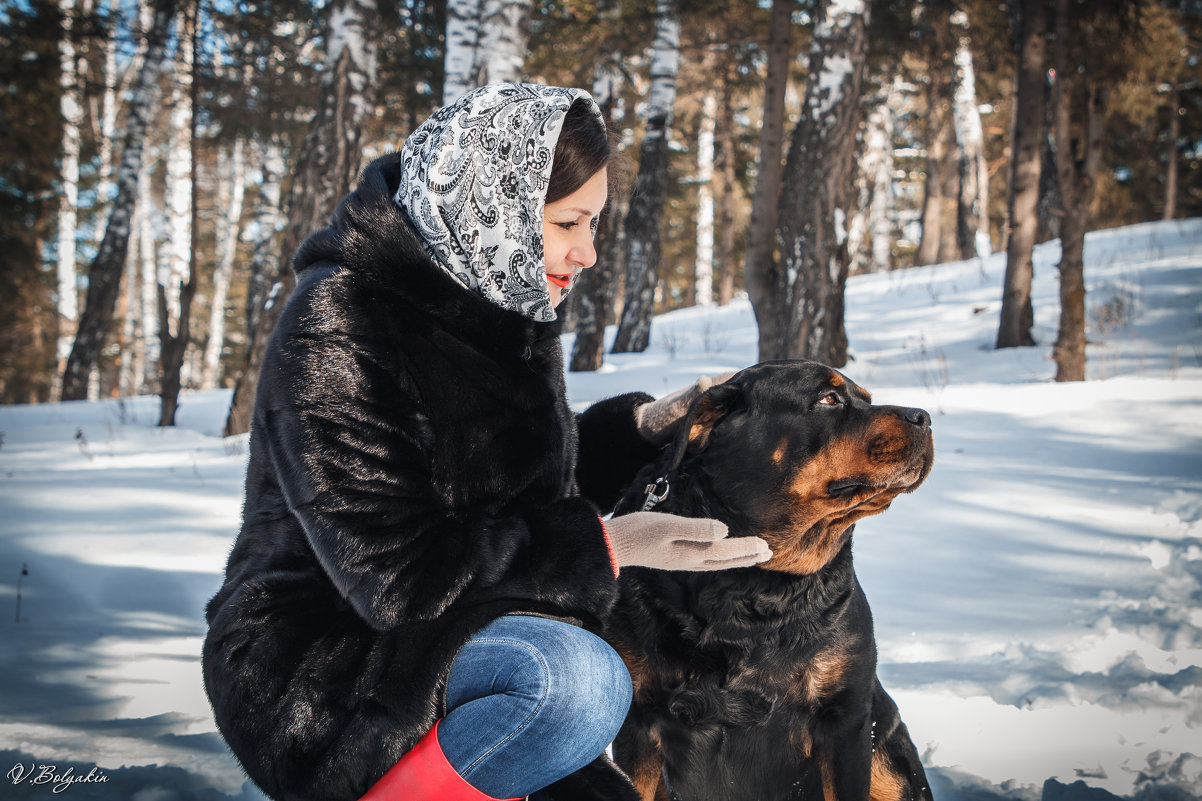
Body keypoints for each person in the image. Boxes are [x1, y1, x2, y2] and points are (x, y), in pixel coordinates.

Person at [202, 82, 771, 801]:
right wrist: (608, 544)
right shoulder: (339, 325)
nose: (588, 252)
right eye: (570, 222)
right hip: (324, 667)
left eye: (593, 224)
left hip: (461, 638)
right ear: (496, 207)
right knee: (577, 682)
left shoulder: (500, 302)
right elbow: (397, 576)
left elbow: (518, 497)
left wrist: (645, 427)